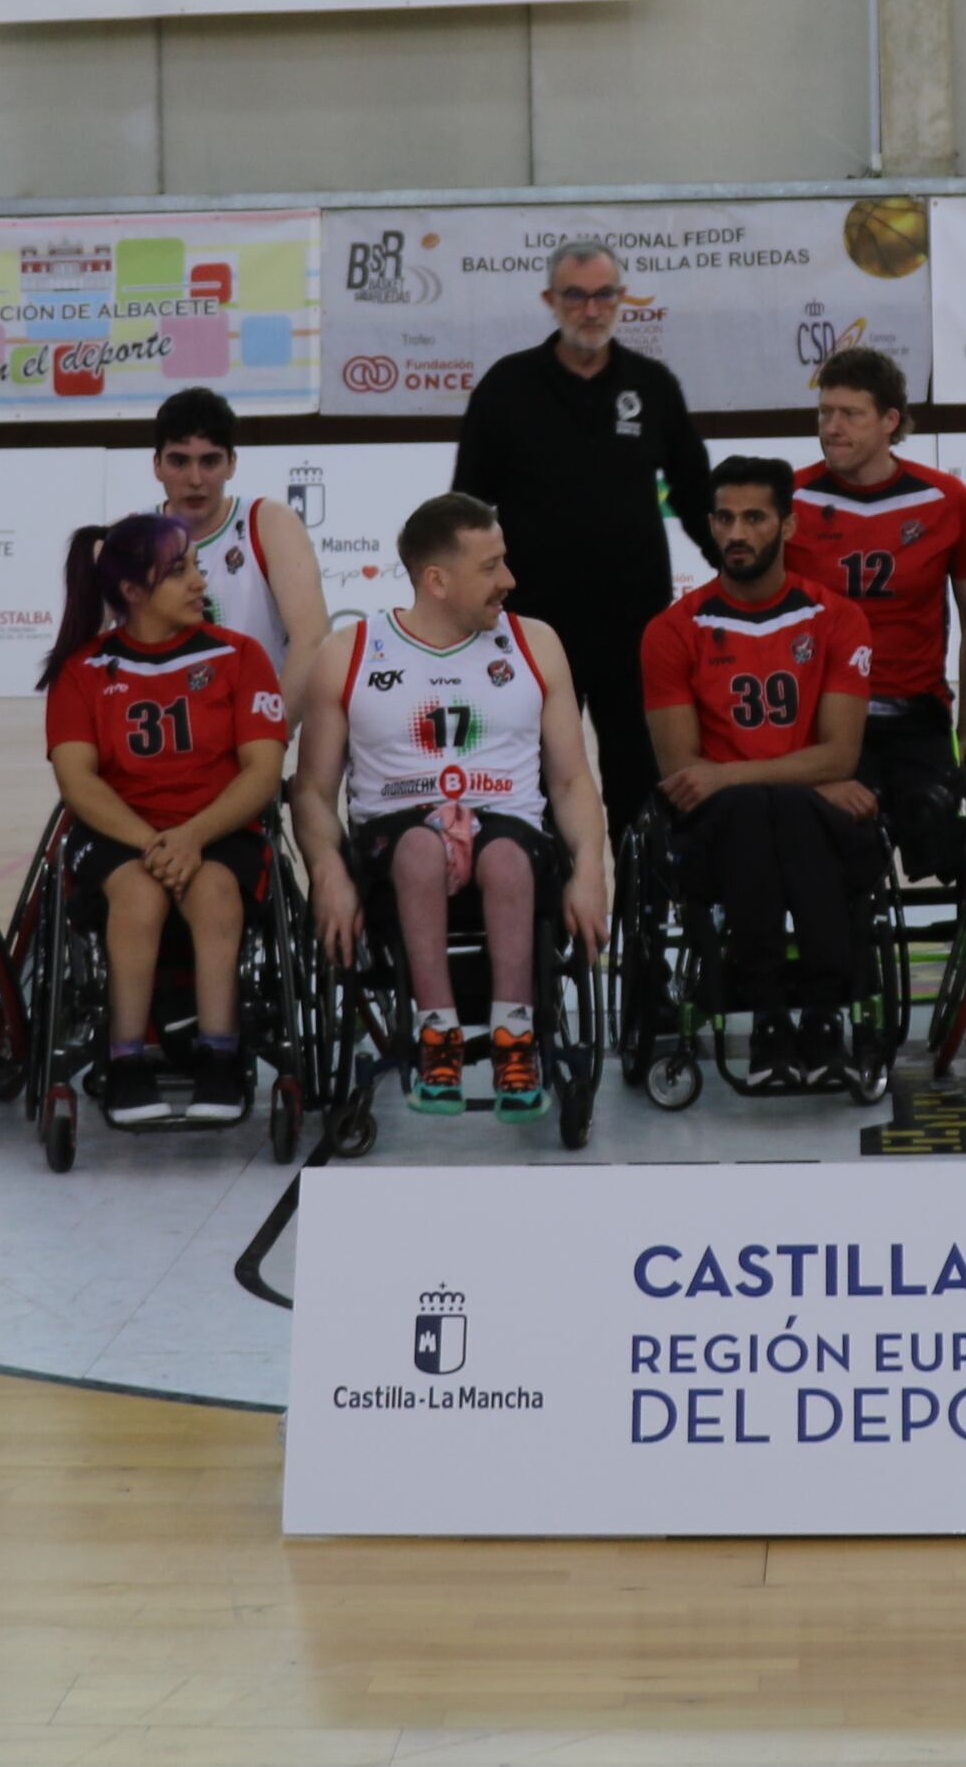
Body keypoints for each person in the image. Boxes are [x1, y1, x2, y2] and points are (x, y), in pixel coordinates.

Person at [296, 492, 613, 1116]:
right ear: (436, 581)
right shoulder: (349, 651)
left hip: (509, 830)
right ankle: (435, 1033)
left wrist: (590, 871)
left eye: (504, 560)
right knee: (419, 848)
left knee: (506, 858)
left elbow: (573, 781)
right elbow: (310, 791)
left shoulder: (537, 643)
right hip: (396, 835)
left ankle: (515, 1037)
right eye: (490, 567)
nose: (509, 579)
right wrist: (327, 871)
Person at [448, 241, 713, 839]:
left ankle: (644, 898)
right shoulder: (506, 387)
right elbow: (466, 509)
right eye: (576, 296)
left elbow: (697, 498)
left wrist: (743, 579)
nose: (591, 310)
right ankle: (544, 896)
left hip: (637, 627)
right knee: (535, 781)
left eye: (603, 295)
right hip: (532, 628)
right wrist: (456, 605)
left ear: (621, 299)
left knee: (641, 781)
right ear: (551, 299)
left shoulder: (652, 385)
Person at [42, 509, 294, 1122]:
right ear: (133, 591)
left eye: (197, 567)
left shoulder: (241, 656)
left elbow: (262, 772)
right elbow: (77, 781)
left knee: (215, 891)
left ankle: (220, 1056)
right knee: (137, 894)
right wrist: (154, 843)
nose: (199, 582)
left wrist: (191, 836)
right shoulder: (83, 670)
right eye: (179, 571)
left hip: (219, 827)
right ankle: (125, 1060)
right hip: (118, 834)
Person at [639, 460, 879, 1086]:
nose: (737, 533)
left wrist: (728, 775)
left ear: (788, 526)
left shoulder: (836, 618)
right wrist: (799, 777)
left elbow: (842, 756)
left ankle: (821, 1015)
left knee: (784, 810)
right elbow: (681, 771)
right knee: (761, 810)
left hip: (809, 820)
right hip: (726, 829)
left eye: (754, 518)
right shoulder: (672, 631)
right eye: (724, 518)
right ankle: (772, 1017)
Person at [785, 344, 966, 883]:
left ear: (890, 421)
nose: (832, 428)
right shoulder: (789, 501)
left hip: (915, 712)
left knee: (937, 833)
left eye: (850, 414)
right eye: (824, 413)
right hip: (821, 716)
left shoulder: (947, 500)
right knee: (847, 845)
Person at [146, 386, 329, 674]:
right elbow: (83, 650)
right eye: (179, 461)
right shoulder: (125, 537)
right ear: (157, 465)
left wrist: (270, 706)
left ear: (232, 464)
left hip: (262, 702)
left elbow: (312, 640)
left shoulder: (269, 522)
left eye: (210, 461)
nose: (195, 479)